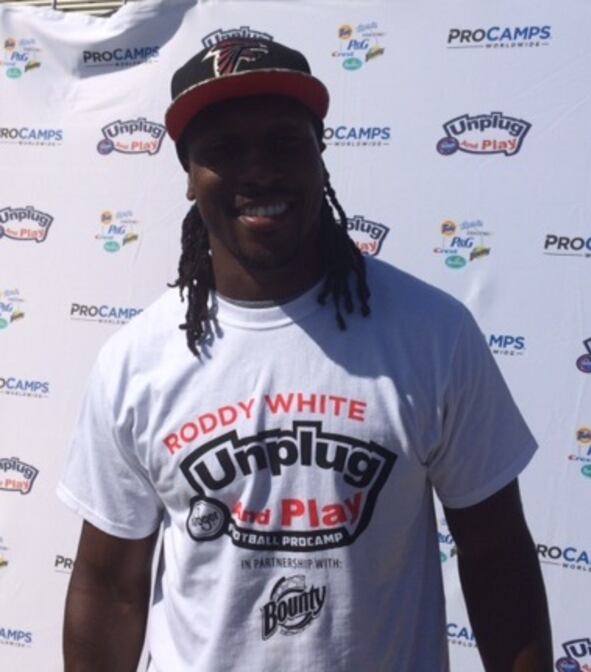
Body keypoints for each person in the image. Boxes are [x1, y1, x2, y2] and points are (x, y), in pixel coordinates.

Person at [58, 38, 552, 672]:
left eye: (284, 143)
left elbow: (496, 557)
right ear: (188, 177)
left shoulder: (434, 335)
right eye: (223, 151)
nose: (259, 170)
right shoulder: (136, 361)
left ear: (321, 158)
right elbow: (110, 587)